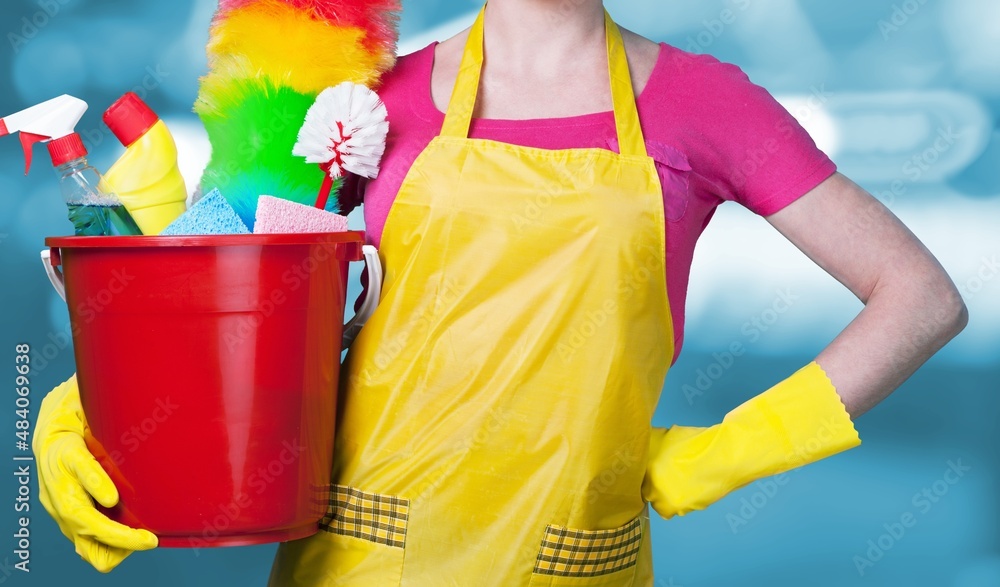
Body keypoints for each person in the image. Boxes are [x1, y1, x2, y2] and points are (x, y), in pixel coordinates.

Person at [34, 0, 968, 584]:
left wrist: (722, 456)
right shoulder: (361, 107)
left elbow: (918, 296)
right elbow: (226, 314)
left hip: (572, 565)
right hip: (358, 561)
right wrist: (93, 410)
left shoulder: (705, 106)